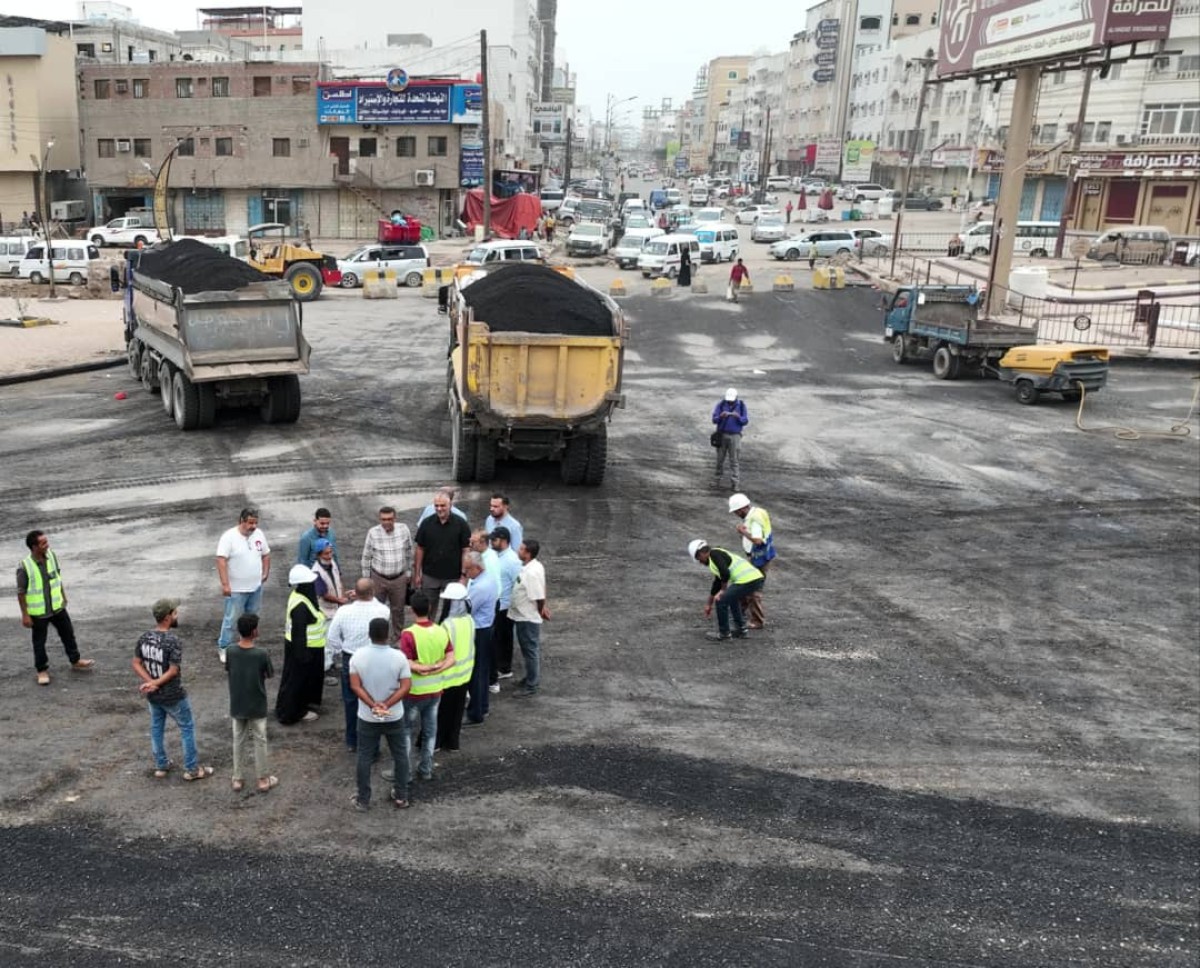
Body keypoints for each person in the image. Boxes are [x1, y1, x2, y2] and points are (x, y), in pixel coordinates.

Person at [133, 598, 213, 782]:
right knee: (186, 727)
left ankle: (161, 765)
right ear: (168, 617)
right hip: (173, 694)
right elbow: (173, 670)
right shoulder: (173, 640)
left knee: (156, 728)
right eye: (175, 612)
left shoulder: (144, 637)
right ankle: (192, 769)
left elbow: (136, 663)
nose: (177, 615)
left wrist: (151, 682)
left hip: (153, 695)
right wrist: (157, 682)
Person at [348, 618, 412, 811]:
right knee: (400, 755)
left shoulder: (357, 657)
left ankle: (363, 799)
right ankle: (401, 796)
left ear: (369, 634)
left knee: (364, 756)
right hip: (394, 715)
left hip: (367, 716)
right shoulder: (399, 657)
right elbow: (406, 686)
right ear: (388, 634)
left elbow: (355, 686)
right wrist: (387, 704)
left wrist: (373, 705)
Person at [17, 529, 95, 686]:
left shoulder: (51, 556)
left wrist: (63, 596)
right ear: (34, 547)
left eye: (46, 541)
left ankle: (75, 660)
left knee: (68, 633)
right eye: (43, 543)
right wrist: (25, 615)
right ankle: (42, 670)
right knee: (39, 642)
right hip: (39, 613)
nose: (47, 545)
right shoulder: (25, 566)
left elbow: (57, 578)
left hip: (57, 607)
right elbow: (21, 593)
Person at [325, 578, 390, 753]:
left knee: (351, 700)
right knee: (375, 699)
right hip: (374, 658)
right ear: (373, 592)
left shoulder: (344, 612)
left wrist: (341, 650)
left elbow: (332, 638)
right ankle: (372, 743)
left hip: (351, 658)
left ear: (355, 592)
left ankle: (353, 741)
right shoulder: (382, 610)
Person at [397, 591, 454, 783]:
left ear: (412, 610)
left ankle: (405, 772)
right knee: (430, 731)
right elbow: (451, 658)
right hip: (435, 690)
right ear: (429, 609)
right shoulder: (440, 630)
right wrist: (437, 668)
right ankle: (426, 768)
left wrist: (424, 668)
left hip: (414, 692)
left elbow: (406, 662)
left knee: (405, 731)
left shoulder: (408, 634)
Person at [226, 613, 277, 793]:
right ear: (255, 631)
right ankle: (263, 778)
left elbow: (229, 669)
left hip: (238, 703)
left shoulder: (230, 651)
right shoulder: (261, 654)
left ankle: (237, 778)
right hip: (257, 703)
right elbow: (268, 674)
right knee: (260, 740)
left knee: (237, 740)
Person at [215, 508, 271, 665]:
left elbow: (266, 554)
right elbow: (221, 560)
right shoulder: (229, 537)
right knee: (231, 620)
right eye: (250, 523)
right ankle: (224, 647)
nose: (253, 526)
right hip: (236, 590)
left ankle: (246, 645)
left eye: (255, 523)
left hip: (255, 587)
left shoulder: (259, 534)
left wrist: (265, 572)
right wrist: (225, 584)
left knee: (252, 619)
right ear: (242, 521)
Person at [275, 564, 327, 725]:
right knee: (297, 681)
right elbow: (299, 632)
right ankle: (293, 712)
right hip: (304, 649)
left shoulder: (299, 596)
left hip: (308, 647)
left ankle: (303, 705)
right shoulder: (301, 607)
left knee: (301, 679)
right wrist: (302, 655)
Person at [688, 539, 764, 641]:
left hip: (748, 579)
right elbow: (717, 583)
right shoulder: (715, 557)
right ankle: (741, 630)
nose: (700, 562)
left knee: (721, 600)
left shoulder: (714, 554)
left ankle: (724, 634)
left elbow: (725, 573)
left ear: (701, 553)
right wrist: (709, 604)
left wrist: (723, 591)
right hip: (754, 578)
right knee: (732, 598)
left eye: (698, 559)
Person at [360, 505, 413, 636]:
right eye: (383, 519)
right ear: (380, 519)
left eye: (389, 519)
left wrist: (409, 572)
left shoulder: (404, 530)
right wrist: (367, 580)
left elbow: (409, 552)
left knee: (398, 610)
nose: (386, 522)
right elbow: (366, 557)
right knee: (375, 610)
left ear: (395, 518)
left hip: (399, 579)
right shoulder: (373, 533)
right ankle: (377, 638)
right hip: (378, 578)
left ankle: (398, 639)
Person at [414, 489, 471, 610]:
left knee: (451, 611)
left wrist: (464, 575)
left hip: (453, 576)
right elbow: (420, 548)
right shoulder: (426, 523)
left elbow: (466, 550)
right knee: (428, 610)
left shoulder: (461, 524)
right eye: (436, 506)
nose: (439, 509)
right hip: (430, 576)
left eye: (443, 505)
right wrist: (417, 574)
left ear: (450, 505)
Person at [436, 583, 475, 752]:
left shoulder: (447, 625)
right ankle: (452, 743)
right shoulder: (470, 620)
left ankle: (437, 742)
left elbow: (441, 650)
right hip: (465, 675)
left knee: (442, 712)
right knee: (457, 711)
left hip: (448, 676)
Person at [728, 493, 776, 630]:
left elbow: (758, 540)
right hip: (762, 555)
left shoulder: (754, 520)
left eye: (737, 511)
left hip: (759, 558)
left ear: (742, 508)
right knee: (745, 582)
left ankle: (757, 620)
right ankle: (741, 610)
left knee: (753, 588)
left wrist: (743, 532)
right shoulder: (759, 512)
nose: (736, 514)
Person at [461, 551, 499, 723]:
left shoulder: (479, 587)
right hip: (485, 628)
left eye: (468, 569)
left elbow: (466, 609)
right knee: (482, 670)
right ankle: (482, 707)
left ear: (477, 567)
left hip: (479, 631)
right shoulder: (488, 579)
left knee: (476, 673)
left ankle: (476, 712)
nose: (466, 573)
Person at [509, 539, 549, 697]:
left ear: (528, 553)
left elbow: (538, 595)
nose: (519, 550)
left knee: (530, 650)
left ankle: (532, 684)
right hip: (523, 614)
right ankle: (530, 678)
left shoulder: (531, 573)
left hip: (527, 616)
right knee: (528, 650)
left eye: (521, 549)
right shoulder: (534, 566)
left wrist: (541, 609)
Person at [489, 526, 523, 685]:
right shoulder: (497, 555)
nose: (491, 542)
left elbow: (519, 584)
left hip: (505, 606)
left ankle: (504, 668)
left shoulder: (512, 560)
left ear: (503, 541)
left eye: (494, 540)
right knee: (497, 637)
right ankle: (499, 665)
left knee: (504, 637)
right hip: (497, 605)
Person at [712, 387, 749, 490]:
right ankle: (717, 480)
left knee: (734, 461)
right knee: (720, 460)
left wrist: (738, 417)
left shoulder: (741, 406)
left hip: (735, 436)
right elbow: (714, 419)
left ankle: (735, 483)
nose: (730, 401)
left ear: (736, 397)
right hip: (722, 435)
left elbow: (745, 421)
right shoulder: (721, 405)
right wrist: (720, 417)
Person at [311, 538, 349, 620]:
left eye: (331, 552)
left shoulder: (333, 562)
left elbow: (339, 580)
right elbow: (324, 595)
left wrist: (342, 597)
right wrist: (340, 600)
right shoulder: (316, 572)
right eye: (326, 554)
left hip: (338, 608)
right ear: (319, 555)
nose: (329, 556)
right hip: (327, 613)